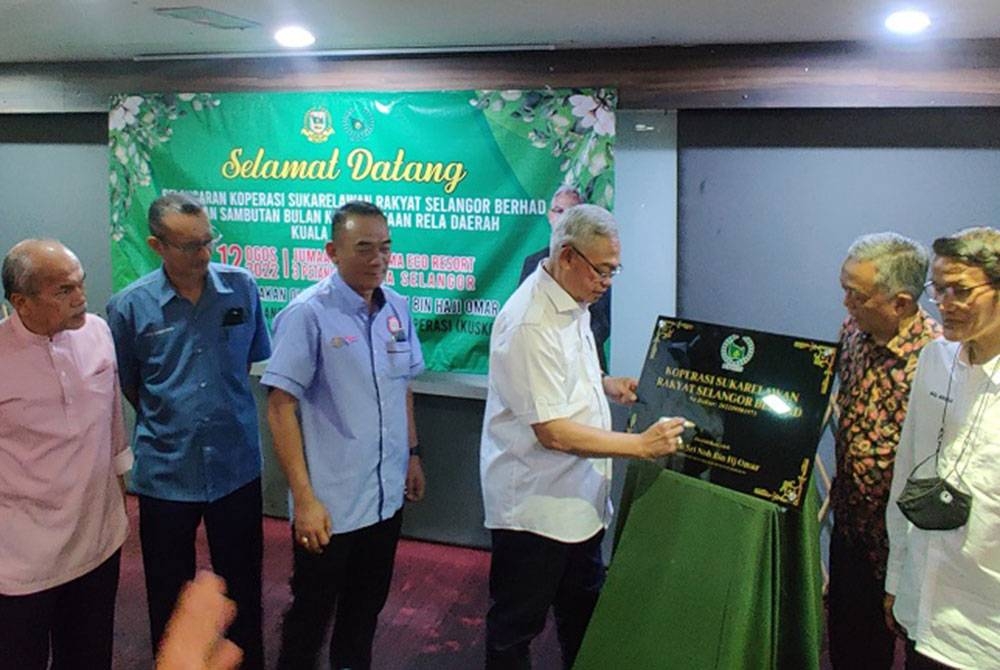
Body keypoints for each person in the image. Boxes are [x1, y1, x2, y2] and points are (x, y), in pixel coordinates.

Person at [481, 204, 686, 669]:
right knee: (516, 629)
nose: (607, 281)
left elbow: (561, 379)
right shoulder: (529, 321)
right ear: (568, 256)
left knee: (583, 617)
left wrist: (605, 383)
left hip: (579, 502)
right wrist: (640, 445)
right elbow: (552, 432)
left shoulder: (572, 299)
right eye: (602, 269)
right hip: (534, 510)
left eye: (614, 270)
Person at [106, 193, 271, 668]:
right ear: (157, 245)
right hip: (166, 471)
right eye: (189, 246)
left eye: (208, 241)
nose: (204, 255)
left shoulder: (241, 289)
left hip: (235, 465)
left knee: (242, 584)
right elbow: (130, 384)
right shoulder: (129, 308)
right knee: (168, 589)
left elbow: (248, 359)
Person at [262, 200, 426, 670]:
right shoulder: (307, 314)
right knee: (310, 617)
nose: (378, 259)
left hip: (384, 495)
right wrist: (304, 499)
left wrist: (413, 453)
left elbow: (403, 387)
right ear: (333, 251)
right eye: (364, 249)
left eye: (386, 248)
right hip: (330, 505)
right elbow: (280, 407)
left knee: (364, 612)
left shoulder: (397, 306)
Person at [0, 239, 132, 669]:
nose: (81, 299)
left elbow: (113, 423)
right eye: (63, 291)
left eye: (81, 285)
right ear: (21, 302)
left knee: (91, 657)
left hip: (97, 541)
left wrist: (119, 504)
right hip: (21, 561)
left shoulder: (97, 332)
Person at [885, 226, 1000, 670]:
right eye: (939, 289)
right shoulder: (935, 359)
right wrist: (897, 576)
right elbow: (907, 472)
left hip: (986, 626)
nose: (945, 304)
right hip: (926, 605)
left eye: (962, 291)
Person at [828, 232, 941, 669]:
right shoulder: (852, 334)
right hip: (851, 524)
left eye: (856, 296)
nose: (846, 305)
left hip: (904, 541)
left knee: (905, 647)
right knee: (848, 646)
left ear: (901, 302)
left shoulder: (938, 357)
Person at [519, 185, 611, 371]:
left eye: (571, 212)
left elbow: (602, 322)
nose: (563, 218)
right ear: (549, 215)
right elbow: (524, 315)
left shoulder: (596, 262)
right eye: (558, 210)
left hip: (587, 363)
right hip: (544, 361)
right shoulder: (532, 263)